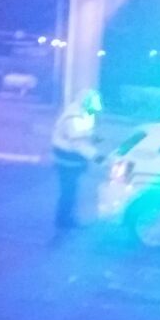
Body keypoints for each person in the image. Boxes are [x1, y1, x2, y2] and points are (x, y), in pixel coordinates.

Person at [51, 90, 104, 230]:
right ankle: (63, 220)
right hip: (67, 159)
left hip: (71, 159)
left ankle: (65, 218)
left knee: (71, 189)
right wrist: (98, 157)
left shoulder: (81, 112)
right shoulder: (74, 117)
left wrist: (93, 138)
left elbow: (84, 134)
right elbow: (78, 143)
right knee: (69, 191)